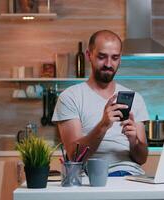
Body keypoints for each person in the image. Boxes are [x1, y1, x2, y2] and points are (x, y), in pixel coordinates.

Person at [52, 30, 149, 176]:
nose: (108, 64)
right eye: (102, 57)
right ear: (89, 55)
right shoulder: (70, 97)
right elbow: (74, 156)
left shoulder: (136, 99)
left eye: (115, 58)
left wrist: (133, 141)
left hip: (130, 174)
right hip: (91, 176)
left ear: (120, 59)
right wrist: (103, 125)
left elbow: (141, 159)